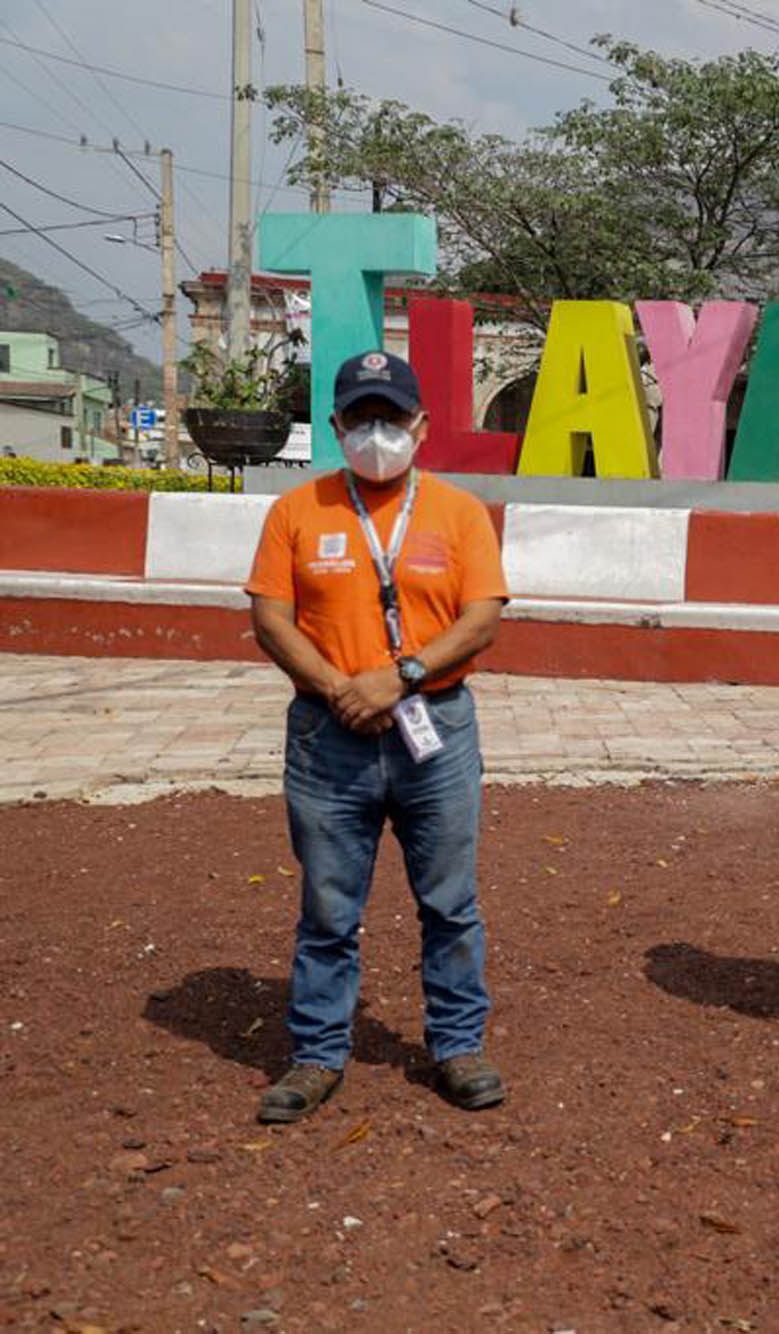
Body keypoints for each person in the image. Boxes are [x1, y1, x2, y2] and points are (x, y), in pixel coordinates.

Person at [243, 349, 510, 1123]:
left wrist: (402, 676)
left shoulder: (460, 513)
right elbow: (269, 618)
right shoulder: (297, 511)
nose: (376, 432)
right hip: (329, 736)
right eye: (360, 418)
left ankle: (458, 1047)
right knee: (328, 907)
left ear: (422, 426)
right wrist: (339, 688)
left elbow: (483, 616)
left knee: (451, 903)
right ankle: (317, 1054)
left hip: (435, 728)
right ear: (335, 426)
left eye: (390, 417)